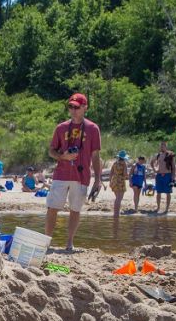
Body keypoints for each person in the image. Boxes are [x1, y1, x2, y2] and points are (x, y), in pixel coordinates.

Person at [46, 93, 102, 251]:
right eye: (70, 106)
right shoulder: (61, 127)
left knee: (75, 210)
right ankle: (47, 241)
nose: (73, 110)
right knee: (52, 207)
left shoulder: (92, 128)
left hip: (81, 175)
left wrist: (98, 179)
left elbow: (96, 155)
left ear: (85, 108)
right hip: (61, 174)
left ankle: (69, 242)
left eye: (76, 107)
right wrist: (62, 156)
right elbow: (51, 151)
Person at [151, 142, 176, 214]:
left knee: (168, 193)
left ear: (166, 147)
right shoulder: (158, 155)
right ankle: (158, 207)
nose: (162, 147)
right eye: (161, 146)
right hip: (159, 175)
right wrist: (154, 169)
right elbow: (151, 162)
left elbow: (174, 168)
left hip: (167, 175)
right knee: (158, 192)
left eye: (163, 146)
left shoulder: (170, 155)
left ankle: (167, 208)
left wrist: (173, 178)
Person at [109, 151, 130, 217]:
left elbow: (111, 173)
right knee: (119, 198)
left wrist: (110, 182)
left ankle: (115, 213)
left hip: (114, 180)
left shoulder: (115, 163)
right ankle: (116, 213)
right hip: (120, 181)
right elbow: (125, 174)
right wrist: (128, 175)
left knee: (117, 198)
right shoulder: (124, 164)